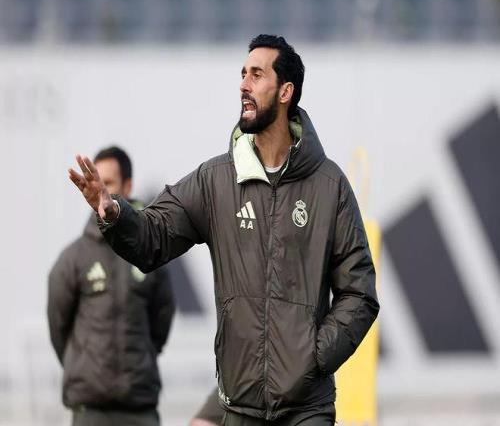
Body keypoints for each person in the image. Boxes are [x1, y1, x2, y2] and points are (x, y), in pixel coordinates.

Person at [68, 35, 380, 425]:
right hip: (239, 408)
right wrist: (115, 212)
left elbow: (359, 293)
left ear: (285, 92)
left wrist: (314, 358)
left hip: (307, 410)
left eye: (256, 75)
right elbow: (152, 237)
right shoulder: (215, 180)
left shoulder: (329, 185)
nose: (243, 85)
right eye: (242, 74)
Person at [48, 146, 175, 426]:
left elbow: (161, 322)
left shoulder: (150, 252)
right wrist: (83, 367)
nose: (99, 190)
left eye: (108, 183)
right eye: (94, 181)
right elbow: (59, 327)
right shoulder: (73, 259)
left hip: (140, 407)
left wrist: (140, 358)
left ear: (128, 186)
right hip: (90, 410)